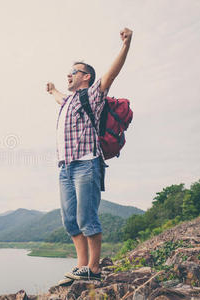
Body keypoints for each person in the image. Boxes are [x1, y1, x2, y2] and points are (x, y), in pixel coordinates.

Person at [46, 28, 133, 281]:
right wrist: (52, 90)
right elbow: (60, 98)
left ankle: (94, 270)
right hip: (65, 168)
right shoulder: (69, 101)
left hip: (86, 164)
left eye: (73, 72)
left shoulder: (92, 95)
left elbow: (112, 73)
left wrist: (126, 46)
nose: (68, 75)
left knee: (87, 218)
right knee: (70, 220)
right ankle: (81, 265)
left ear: (86, 77)